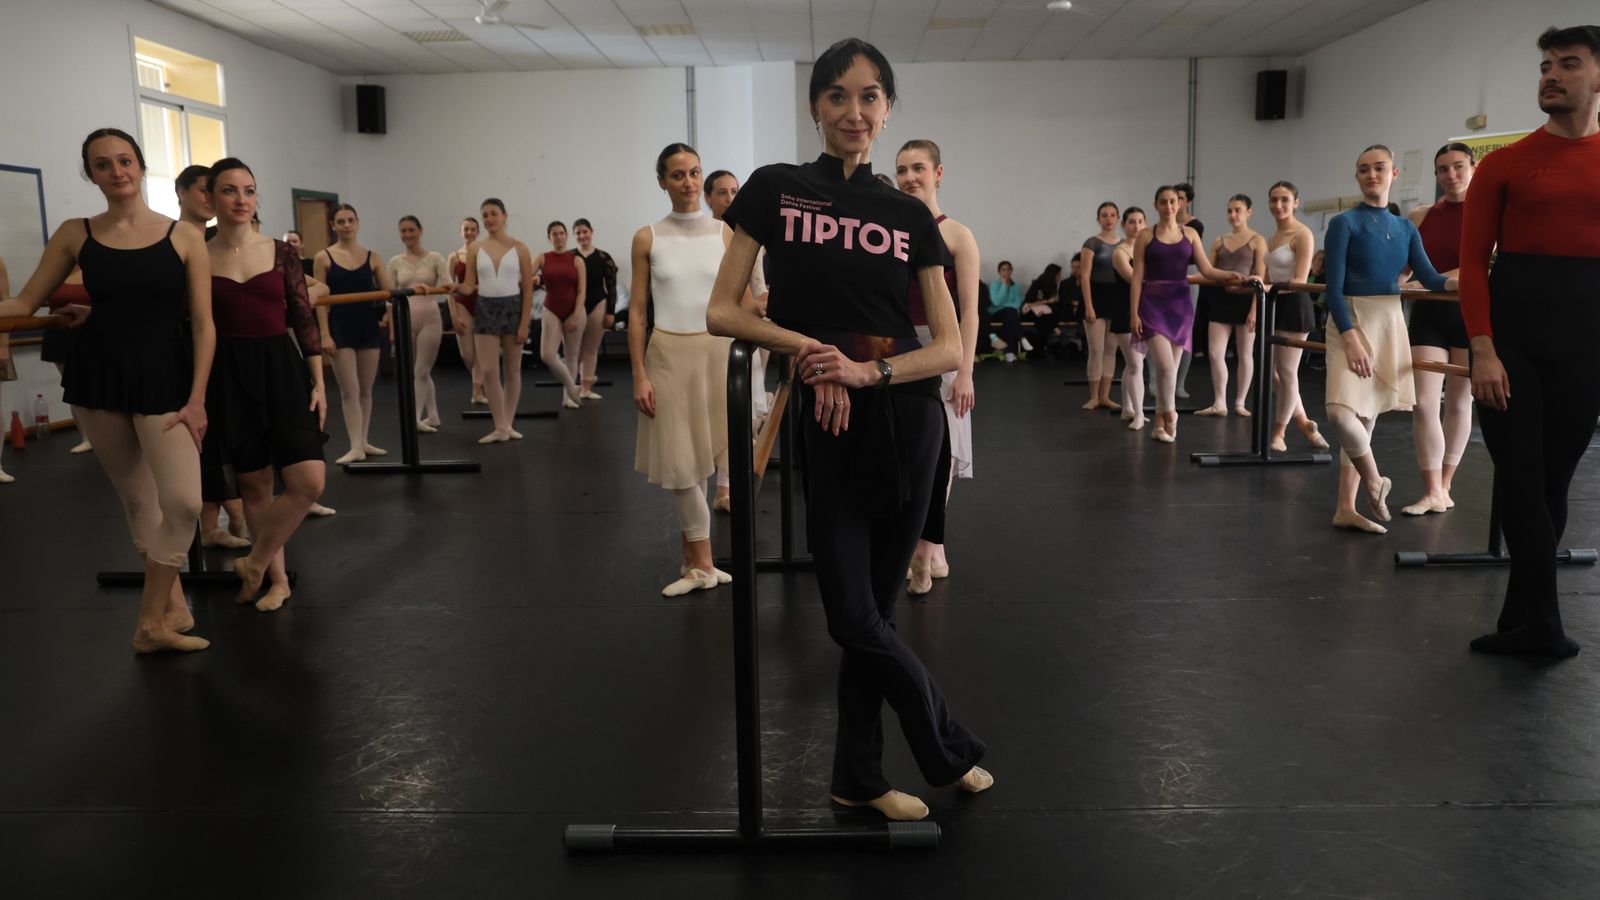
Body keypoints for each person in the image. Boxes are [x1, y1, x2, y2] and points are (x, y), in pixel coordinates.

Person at [709, 37, 992, 823]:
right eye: (838, 96)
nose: (854, 112)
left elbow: (946, 344)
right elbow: (723, 309)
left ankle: (857, 778)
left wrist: (864, 372)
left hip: (906, 416)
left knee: (877, 610)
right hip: (830, 420)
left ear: (889, 108)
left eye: (870, 97)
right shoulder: (777, 190)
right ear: (815, 107)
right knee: (850, 616)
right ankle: (947, 744)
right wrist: (813, 355)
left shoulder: (908, 213)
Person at [0, 128, 214, 653]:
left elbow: (204, 324)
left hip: (166, 375)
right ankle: (170, 611)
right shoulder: (76, 233)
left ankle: (148, 622)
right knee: (138, 498)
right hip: (99, 373)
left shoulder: (183, 235)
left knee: (184, 502)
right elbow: (25, 300)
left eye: (124, 160)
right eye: (102, 164)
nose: (116, 171)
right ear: (90, 174)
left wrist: (197, 398)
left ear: (141, 167)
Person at [1464, 25, 1600, 658]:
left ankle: (1519, 616)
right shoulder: (1504, 164)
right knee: (1520, 480)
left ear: (1597, 78)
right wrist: (1483, 347)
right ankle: (1546, 629)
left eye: (1568, 64)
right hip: (1512, 344)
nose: (1551, 74)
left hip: (1586, 346)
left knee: (1550, 486)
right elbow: (1471, 266)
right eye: (1546, 64)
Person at [202, 158, 327, 612]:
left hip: (281, 367)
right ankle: (276, 580)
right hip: (228, 375)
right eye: (231, 191)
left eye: (249, 190)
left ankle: (253, 562)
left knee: (308, 481)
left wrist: (318, 381)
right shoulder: (196, 252)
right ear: (211, 198)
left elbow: (302, 316)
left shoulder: (281, 251)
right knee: (254, 486)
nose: (241, 199)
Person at [1321, 145, 1455, 534]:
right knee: (1339, 412)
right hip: (1350, 318)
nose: (1371, 175)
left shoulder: (1405, 228)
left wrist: (1459, 283)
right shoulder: (1345, 223)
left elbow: (1429, 277)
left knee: (1365, 414)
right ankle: (1375, 481)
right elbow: (1333, 288)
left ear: (1394, 173)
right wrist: (1350, 336)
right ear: (1358, 177)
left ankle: (1346, 507)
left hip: (1389, 319)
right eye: (1364, 170)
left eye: (1379, 168)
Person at [629, 144, 735, 597]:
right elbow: (636, 311)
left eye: (694, 172)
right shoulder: (647, 237)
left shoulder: (727, 233)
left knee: (707, 455)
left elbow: (739, 300)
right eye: (678, 175)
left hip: (718, 351)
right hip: (668, 353)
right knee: (680, 461)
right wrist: (638, 374)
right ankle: (704, 563)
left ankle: (692, 557)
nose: (689, 182)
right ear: (662, 181)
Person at [895, 138, 980, 594]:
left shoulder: (958, 235)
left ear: (938, 173)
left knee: (941, 452)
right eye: (903, 169)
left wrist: (964, 370)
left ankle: (925, 550)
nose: (910, 177)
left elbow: (970, 311)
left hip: (944, 347)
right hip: (899, 348)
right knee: (911, 452)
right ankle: (931, 550)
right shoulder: (892, 231)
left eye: (918, 168)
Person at [1131, 186, 1243, 444]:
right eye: (1163, 202)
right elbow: (1137, 277)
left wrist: (1230, 275)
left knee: (1168, 370)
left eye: (1173, 201)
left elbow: (1206, 268)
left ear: (1180, 203)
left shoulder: (1190, 234)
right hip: (1152, 301)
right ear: (1156, 205)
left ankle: (1159, 424)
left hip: (1180, 305)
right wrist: (1134, 313)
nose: (1169, 206)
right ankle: (1171, 413)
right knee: (1165, 366)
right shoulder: (1146, 235)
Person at [1402, 143, 1475, 515]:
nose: (1451, 175)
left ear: (1472, 168)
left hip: (1471, 315)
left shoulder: (1489, 214)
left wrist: (1431, 280)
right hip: (1430, 316)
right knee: (1424, 402)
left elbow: (1485, 268)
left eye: (1458, 167)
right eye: (1443, 169)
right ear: (1435, 175)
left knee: (1460, 401)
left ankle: (1445, 485)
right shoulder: (1419, 215)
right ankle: (1431, 488)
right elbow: (1404, 268)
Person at [314, 203, 393, 463]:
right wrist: (324, 334)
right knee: (349, 389)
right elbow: (320, 300)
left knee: (366, 389)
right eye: (341, 221)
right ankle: (354, 445)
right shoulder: (323, 257)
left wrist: (388, 316)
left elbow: (389, 294)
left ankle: (364, 441)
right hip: (340, 328)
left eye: (350, 220)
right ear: (333, 225)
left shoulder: (373, 257)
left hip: (367, 326)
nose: (346, 225)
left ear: (357, 223)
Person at [454, 199, 534, 443]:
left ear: (504, 216)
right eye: (485, 215)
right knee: (488, 370)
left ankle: (507, 424)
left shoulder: (520, 247)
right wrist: (453, 288)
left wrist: (524, 323)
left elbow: (528, 290)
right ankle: (499, 425)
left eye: (493, 214)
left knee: (512, 371)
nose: (489, 219)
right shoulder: (475, 248)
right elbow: (469, 285)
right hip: (485, 308)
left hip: (512, 308)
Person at [1262, 181, 1329, 452]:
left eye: (1284, 200)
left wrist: (1267, 287)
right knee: (1272, 376)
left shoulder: (1302, 234)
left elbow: (1300, 280)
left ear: (1295, 203)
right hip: (1275, 304)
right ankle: (1303, 422)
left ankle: (1279, 433)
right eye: (1274, 200)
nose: (1279, 205)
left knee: (1287, 372)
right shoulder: (1273, 237)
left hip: (1295, 305)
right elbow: (1268, 276)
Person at [1194, 194, 1266, 417]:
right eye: (1230, 210)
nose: (1233, 214)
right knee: (1216, 353)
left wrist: (1255, 309)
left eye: (1237, 210)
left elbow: (1260, 278)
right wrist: (1181, 278)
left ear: (1248, 212)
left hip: (1246, 302)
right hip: (1221, 300)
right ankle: (1219, 402)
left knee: (1245, 353)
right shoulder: (1219, 241)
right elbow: (1208, 272)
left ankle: (1240, 403)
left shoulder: (1257, 241)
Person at [387, 215, 452, 433]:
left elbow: (448, 285)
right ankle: (433, 415)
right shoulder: (395, 262)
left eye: (411, 230)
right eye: (403, 231)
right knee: (418, 371)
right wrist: (392, 329)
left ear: (420, 231)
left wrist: (430, 288)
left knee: (421, 371)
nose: (407, 235)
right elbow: (390, 297)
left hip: (430, 318)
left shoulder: (434, 258)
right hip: (405, 318)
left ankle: (414, 418)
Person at [533, 221, 586, 409]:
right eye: (554, 234)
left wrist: (577, 315)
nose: (558, 237)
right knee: (547, 354)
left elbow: (581, 290)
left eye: (561, 233)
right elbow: (525, 277)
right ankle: (573, 388)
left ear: (566, 235)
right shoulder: (542, 257)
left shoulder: (577, 260)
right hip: (552, 309)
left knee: (571, 356)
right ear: (549, 237)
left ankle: (567, 398)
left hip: (574, 310)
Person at [1078, 202, 1122, 408]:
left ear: (1118, 218)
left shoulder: (1124, 244)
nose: (1109, 219)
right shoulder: (1091, 243)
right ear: (1098, 219)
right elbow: (1084, 276)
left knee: (1111, 350)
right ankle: (1094, 396)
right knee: (1096, 349)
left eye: (1113, 215)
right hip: (1095, 297)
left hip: (1116, 298)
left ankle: (1105, 395)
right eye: (1104, 215)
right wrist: (1089, 305)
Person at [1109, 207, 1148, 427]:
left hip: (1145, 310)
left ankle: (1127, 408)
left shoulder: (1146, 249)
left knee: (1134, 363)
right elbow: (1135, 279)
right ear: (1124, 225)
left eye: (1140, 221)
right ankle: (1139, 413)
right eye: (1132, 222)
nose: (1136, 226)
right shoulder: (1120, 252)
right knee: (1135, 365)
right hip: (1126, 311)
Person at [572, 218, 617, 401]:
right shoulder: (570, 257)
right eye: (578, 233)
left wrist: (611, 312)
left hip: (598, 303)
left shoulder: (604, 257)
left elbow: (612, 286)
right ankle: (570, 386)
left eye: (585, 231)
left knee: (590, 348)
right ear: (574, 235)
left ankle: (586, 388)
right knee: (574, 349)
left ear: (591, 232)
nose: (582, 235)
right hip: (575, 306)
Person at [447, 217, 486, 406]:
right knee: (467, 354)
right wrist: (453, 315)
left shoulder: (484, 253)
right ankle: (483, 381)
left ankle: (477, 391)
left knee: (480, 352)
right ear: (460, 232)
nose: (469, 232)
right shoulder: (454, 256)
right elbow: (449, 288)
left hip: (482, 304)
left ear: (478, 232)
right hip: (462, 303)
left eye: (472, 229)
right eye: (466, 229)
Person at [1173, 181, 1205, 399]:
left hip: (1188, 274)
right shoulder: (1164, 224)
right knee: (1159, 330)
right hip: (1166, 275)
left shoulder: (1195, 226)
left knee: (1185, 331)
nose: (1176, 203)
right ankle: (1157, 380)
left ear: (1188, 201)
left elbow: (1192, 255)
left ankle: (1179, 383)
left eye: (1181, 198)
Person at [988, 260, 1025, 362]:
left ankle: (1009, 353)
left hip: (1010, 314)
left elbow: (1017, 304)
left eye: (1008, 269)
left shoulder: (1016, 286)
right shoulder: (995, 284)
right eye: (1003, 270)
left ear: (1011, 271)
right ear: (999, 272)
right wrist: (1004, 285)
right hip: (996, 313)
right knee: (1010, 312)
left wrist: (1005, 305)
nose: (1006, 272)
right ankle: (1022, 338)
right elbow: (996, 302)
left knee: (1010, 319)